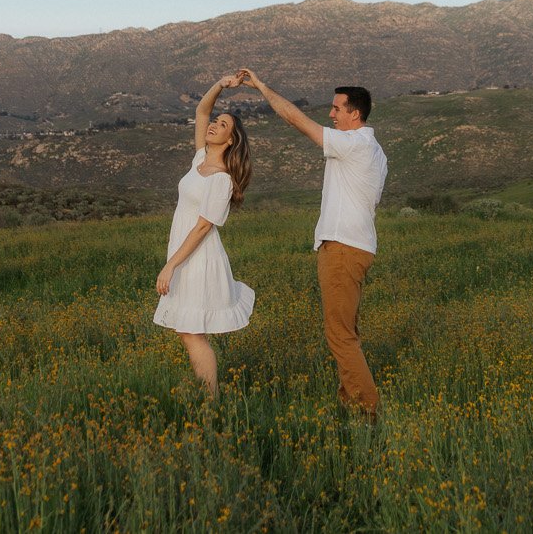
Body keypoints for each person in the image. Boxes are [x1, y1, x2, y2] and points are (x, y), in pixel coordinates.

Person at [237, 68, 386, 417]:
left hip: (343, 247)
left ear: (355, 114)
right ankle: (350, 405)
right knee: (345, 331)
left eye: (337, 108)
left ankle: (369, 415)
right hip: (355, 246)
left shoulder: (355, 144)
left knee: (340, 335)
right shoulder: (374, 150)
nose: (331, 114)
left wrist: (261, 87)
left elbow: (297, 121)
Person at [153, 73, 254, 396]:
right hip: (185, 253)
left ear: (230, 140)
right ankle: (206, 392)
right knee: (189, 331)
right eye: (217, 121)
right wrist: (221, 85)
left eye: (223, 125)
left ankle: (211, 398)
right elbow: (201, 111)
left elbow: (202, 227)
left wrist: (170, 265)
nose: (214, 125)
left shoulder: (221, 179)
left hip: (198, 258)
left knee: (191, 332)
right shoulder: (200, 159)